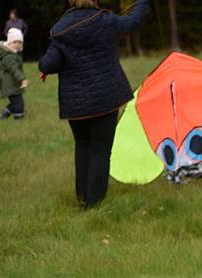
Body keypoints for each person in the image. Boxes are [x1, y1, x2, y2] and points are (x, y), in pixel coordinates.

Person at [38, 0, 149, 208]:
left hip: (76, 105)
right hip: (105, 99)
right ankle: (94, 202)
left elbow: (49, 63)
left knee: (83, 146)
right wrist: (141, 3)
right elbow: (132, 23)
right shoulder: (106, 21)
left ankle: (82, 195)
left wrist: (45, 66)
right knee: (100, 149)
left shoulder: (60, 29)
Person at [0, 28, 28, 120]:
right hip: (9, 85)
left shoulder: (14, 54)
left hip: (14, 84)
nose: (18, 44)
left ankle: (4, 113)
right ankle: (18, 119)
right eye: (15, 42)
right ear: (9, 43)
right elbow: (15, 70)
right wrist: (22, 79)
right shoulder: (8, 57)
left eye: (20, 42)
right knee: (18, 103)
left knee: (16, 102)